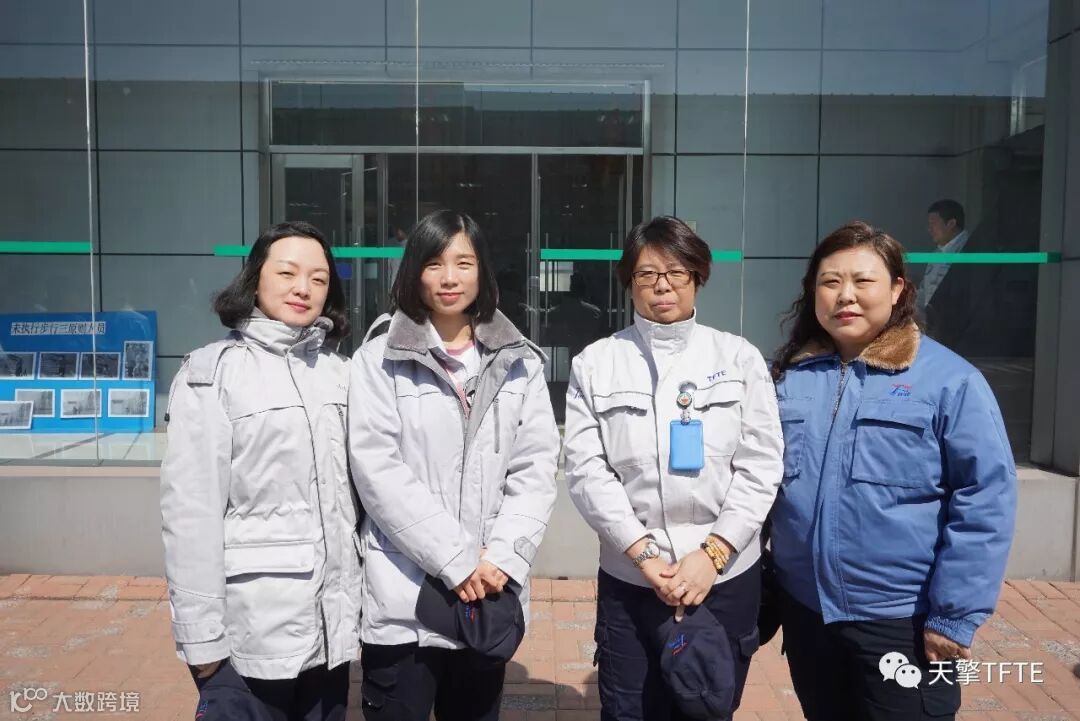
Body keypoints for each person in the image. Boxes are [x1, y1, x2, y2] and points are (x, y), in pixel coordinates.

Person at [770, 221, 1017, 721]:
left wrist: (952, 617)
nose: (846, 296)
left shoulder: (949, 381)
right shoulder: (790, 377)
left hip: (903, 620)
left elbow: (985, 498)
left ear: (898, 288)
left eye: (863, 281)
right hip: (808, 615)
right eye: (830, 282)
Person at [563, 216, 784, 721]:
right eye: (647, 274)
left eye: (677, 272)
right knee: (628, 708)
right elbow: (586, 470)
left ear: (697, 276)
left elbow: (761, 464)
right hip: (632, 578)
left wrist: (713, 554)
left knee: (709, 704)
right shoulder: (596, 363)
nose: (662, 285)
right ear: (629, 282)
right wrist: (642, 554)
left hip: (724, 576)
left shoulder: (738, 358)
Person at [349, 209, 559, 721]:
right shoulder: (378, 360)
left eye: (464, 263)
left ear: (482, 271)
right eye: (434, 263)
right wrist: (456, 559)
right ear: (413, 272)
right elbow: (377, 471)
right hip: (405, 595)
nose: (449, 278)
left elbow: (534, 469)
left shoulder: (520, 362)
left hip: (488, 592)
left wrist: (502, 558)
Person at [160, 221, 361, 721]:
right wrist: (201, 641)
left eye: (318, 279)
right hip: (250, 636)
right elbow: (191, 515)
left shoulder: (342, 374)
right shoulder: (213, 374)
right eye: (287, 273)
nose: (303, 288)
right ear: (255, 280)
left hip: (332, 636)